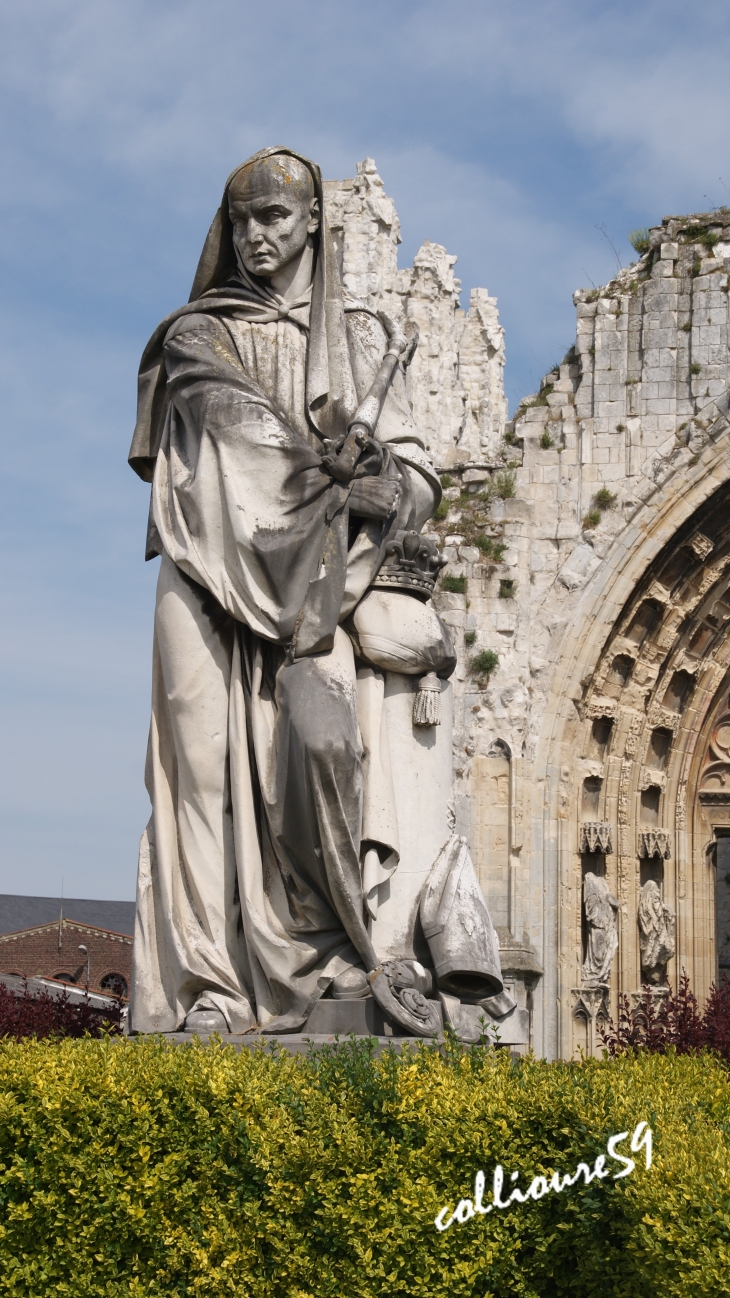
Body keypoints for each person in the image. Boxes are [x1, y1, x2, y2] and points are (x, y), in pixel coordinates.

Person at [127, 148, 448, 1035]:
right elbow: (244, 439)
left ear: (313, 223)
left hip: (317, 597)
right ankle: (209, 987)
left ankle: (330, 952)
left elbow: (421, 478)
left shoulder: (364, 340)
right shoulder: (198, 333)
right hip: (204, 567)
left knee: (318, 748)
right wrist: (335, 475)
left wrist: (383, 474)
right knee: (198, 773)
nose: (258, 236)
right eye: (242, 221)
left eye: (275, 217)